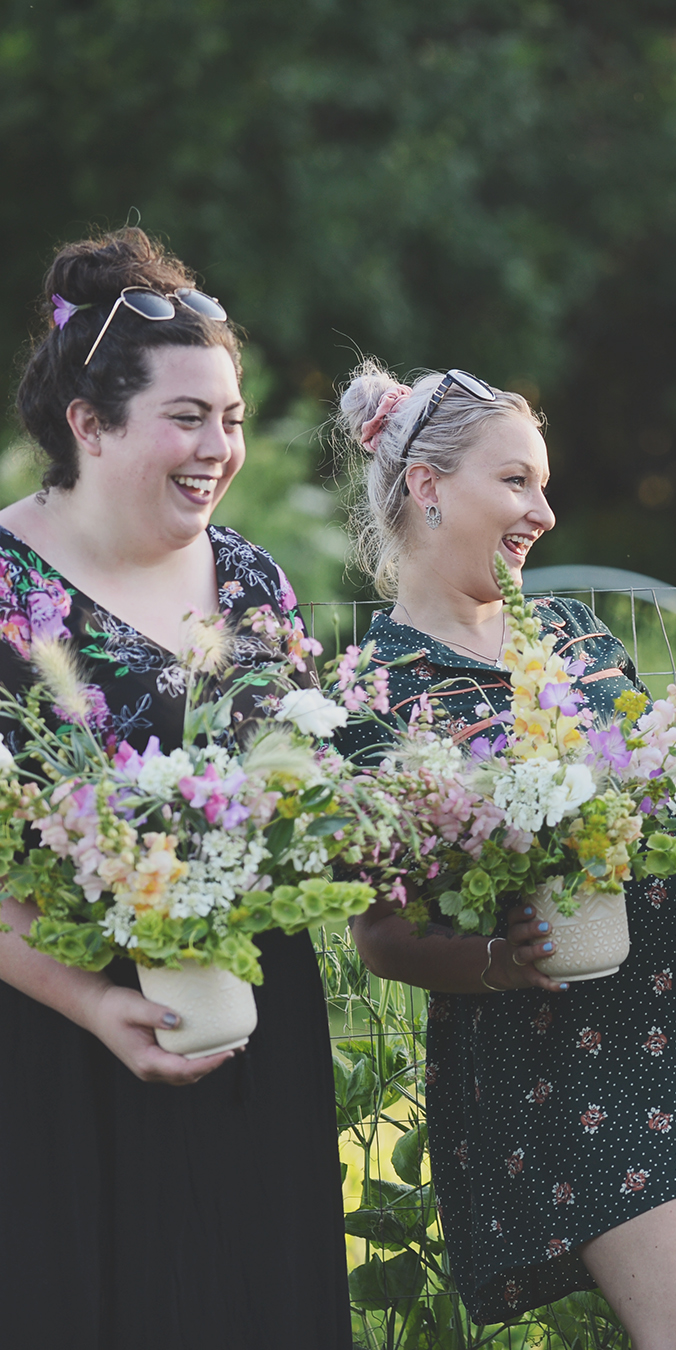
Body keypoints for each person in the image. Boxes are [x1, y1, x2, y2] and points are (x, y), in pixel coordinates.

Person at [333, 359, 676, 1350]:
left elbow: (660, 780)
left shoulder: (576, 633)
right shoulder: (372, 689)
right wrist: (497, 960)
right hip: (566, 1057)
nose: (544, 509)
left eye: (543, 483)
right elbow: (380, 935)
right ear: (428, 486)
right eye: (517, 482)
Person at [0, 228, 351, 1349]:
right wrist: (97, 1004)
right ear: (89, 424)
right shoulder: (7, 589)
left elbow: (309, 783)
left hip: (253, 1026)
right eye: (187, 418)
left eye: (233, 419)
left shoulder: (251, 578)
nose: (219, 448)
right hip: (60, 1048)